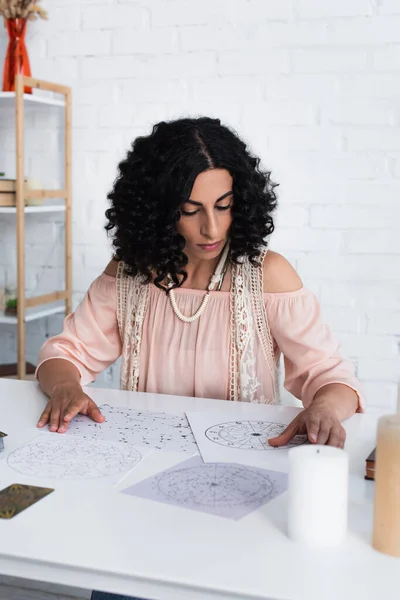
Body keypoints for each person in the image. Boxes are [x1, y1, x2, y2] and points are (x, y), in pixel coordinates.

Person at [36, 117, 363, 600]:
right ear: (158, 208)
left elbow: (331, 376)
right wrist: (67, 385)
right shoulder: (129, 275)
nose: (212, 228)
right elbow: (65, 353)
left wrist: (323, 407)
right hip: (137, 487)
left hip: (241, 494)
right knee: (126, 580)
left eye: (224, 206)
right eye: (191, 211)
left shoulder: (264, 277)